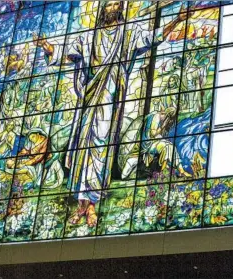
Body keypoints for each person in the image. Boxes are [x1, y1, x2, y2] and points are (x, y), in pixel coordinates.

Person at [33, 1, 190, 226]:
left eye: (117, 4)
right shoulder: (89, 38)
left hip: (110, 99)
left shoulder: (128, 33)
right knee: (83, 148)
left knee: (100, 147)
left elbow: (150, 38)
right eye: (109, 4)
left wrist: (176, 21)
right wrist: (47, 46)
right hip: (89, 98)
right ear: (103, 9)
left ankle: (93, 205)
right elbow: (67, 53)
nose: (113, 8)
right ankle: (81, 204)